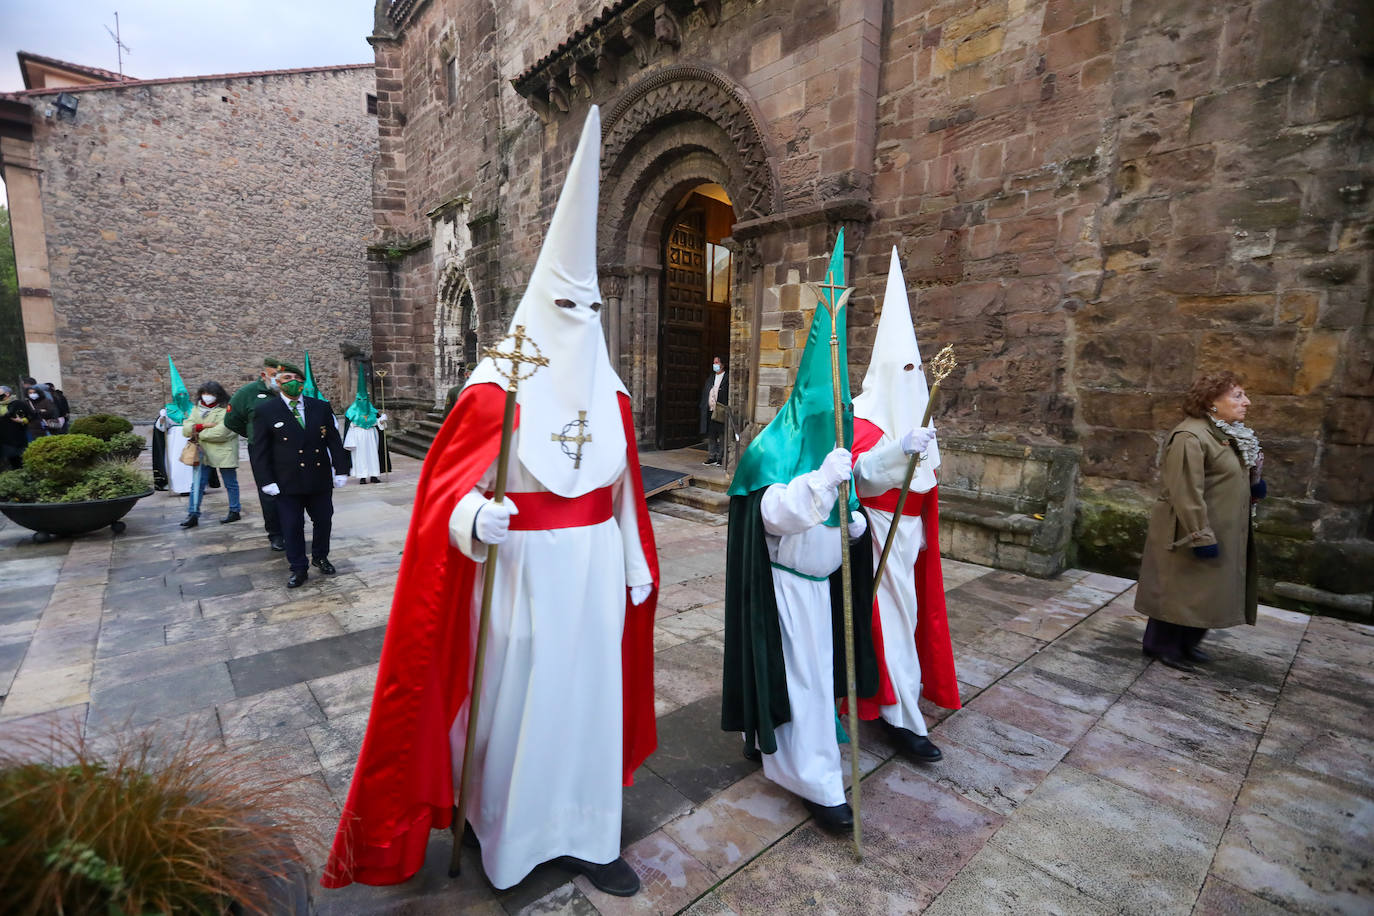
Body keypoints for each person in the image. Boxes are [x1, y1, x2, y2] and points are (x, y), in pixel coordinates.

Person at [323, 105, 659, 898]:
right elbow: (444, 499)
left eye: (592, 311)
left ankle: (588, 832)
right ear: (541, 306)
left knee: (587, 707)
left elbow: (624, 495)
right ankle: (503, 834)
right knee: (519, 711)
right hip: (519, 576)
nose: (582, 324)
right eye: (566, 308)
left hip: (595, 575)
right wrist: (476, 518)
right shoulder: (492, 388)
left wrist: (637, 562)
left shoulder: (611, 395)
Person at [722, 232, 880, 836]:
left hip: (823, 588)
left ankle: (771, 746)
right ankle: (813, 780)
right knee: (802, 686)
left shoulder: (833, 445)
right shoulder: (772, 448)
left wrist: (854, 522)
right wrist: (819, 486)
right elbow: (772, 513)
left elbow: (843, 506)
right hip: (783, 591)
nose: (827, 418)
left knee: (814, 683)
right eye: (822, 406)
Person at [850, 247, 962, 764]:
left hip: (910, 538)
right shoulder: (865, 418)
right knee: (888, 623)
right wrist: (900, 451)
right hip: (875, 534)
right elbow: (860, 474)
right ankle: (901, 718)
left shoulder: (919, 415)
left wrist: (920, 451)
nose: (913, 376)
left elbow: (927, 483)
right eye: (906, 368)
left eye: (918, 368)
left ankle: (894, 702)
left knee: (907, 619)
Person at [1135, 372, 1266, 670]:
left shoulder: (1227, 433)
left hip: (1223, 527)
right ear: (1211, 402)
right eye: (1237, 395)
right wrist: (1200, 535)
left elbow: (1230, 478)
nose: (1247, 402)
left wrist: (1256, 480)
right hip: (1190, 529)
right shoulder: (1190, 436)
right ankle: (1161, 646)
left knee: (1206, 592)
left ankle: (1186, 645)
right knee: (1180, 591)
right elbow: (1185, 493)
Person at [249, 361, 350, 588]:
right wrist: (266, 481)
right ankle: (298, 567)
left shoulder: (320, 407)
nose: (293, 383)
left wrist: (341, 469)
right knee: (292, 525)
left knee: (323, 520)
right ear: (277, 382)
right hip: (286, 480)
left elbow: (333, 440)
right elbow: (259, 450)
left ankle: (320, 556)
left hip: (318, 476)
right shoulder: (266, 410)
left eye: (298, 379)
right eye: (287, 379)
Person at [226, 358, 286, 551]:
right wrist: (252, 434)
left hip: (288, 447)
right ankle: (275, 534)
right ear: (264, 375)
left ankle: (291, 527)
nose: (279, 380)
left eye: (281, 376)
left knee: (290, 488)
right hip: (262, 450)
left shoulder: (289, 392)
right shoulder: (248, 393)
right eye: (274, 375)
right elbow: (231, 419)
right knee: (268, 491)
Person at [178, 381, 242, 528]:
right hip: (202, 452)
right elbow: (186, 429)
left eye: (211, 394)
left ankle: (234, 510)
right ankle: (193, 513)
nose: (207, 397)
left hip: (224, 451)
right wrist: (202, 426)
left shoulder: (227, 409)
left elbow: (223, 432)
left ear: (218, 395)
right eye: (204, 394)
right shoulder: (196, 409)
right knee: (197, 484)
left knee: (230, 483)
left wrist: (198, 433)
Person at [341, 363, 387, 483]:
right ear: (357, 399)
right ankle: (362, 476)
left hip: (371, 435)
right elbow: (349, 426)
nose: (363, 402)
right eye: (360, 400)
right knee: (360, 456)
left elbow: (378, 425)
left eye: (365, 399)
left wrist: (381, 420)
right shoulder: (351, 411)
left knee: (373, 455)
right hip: (358, 435)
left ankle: (374, 475)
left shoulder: (372, 410)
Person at [155, 358, 196, 496]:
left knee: (191, 463)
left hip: (190, 438)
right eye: (179, 394)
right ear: (174, 396)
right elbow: (161, 428)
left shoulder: (193, 408)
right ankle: (179, 486)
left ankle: (193, 486)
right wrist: (162, 420)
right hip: (175, 440)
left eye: (184, 394)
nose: (182, 396)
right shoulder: (168, 410)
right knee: (177, 463)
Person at [699, 355, 728, 466]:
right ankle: (712, 456)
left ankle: (721, 457)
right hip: (710, 410)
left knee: (721, 434)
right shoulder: (711, 378)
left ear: (722, 364)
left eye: (716, 362)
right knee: (711, 435)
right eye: (714, 362)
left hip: (721, 410)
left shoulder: (727, 378)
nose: (714, 364)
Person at [0, 386, 33, 469]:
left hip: (16, 437)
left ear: (7, 394)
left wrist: (22, 420)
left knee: (18, 460)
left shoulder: (18, 403)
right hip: (3, 438)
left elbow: (31, 416)